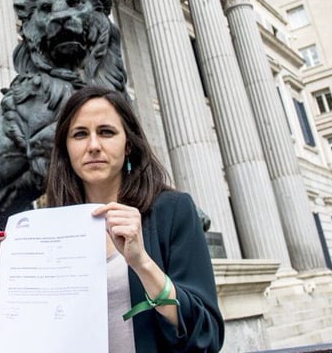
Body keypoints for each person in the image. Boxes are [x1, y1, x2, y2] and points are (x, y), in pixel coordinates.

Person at [44, 85, 224, 352]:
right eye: (80, 134)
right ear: (66, 148)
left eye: (106, 132)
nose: (93, 146)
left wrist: (142, 264)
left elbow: (207, 333)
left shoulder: (172, 211)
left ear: (128, 145)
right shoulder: (50, 227)